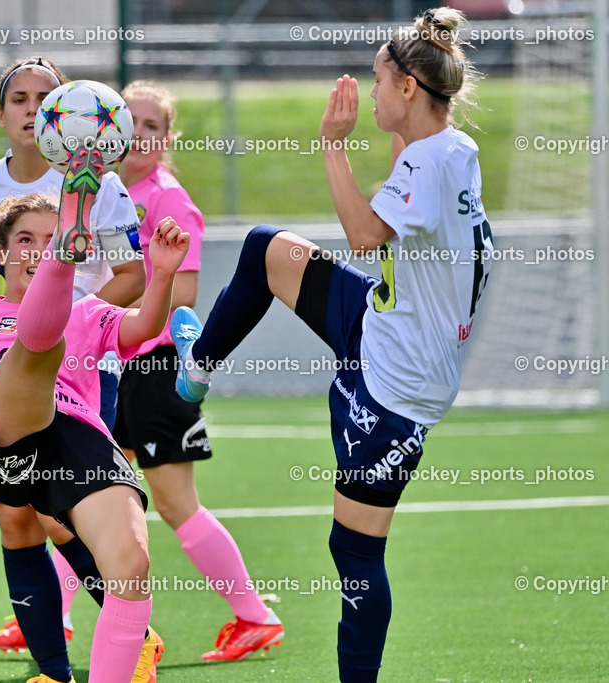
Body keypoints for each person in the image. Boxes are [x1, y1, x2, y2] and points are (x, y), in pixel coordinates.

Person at [169, 8, 491, 681]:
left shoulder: (432, 161)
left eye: (378, 80)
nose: (369, 93)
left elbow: (366, 236)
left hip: (393, 380)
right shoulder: (453, 148)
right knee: (268, 250)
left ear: (407, 86)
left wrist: (333, 144)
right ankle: (196, 371)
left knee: (354, 550)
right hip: (384, 320)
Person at [0, 154, 190, 682]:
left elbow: (143, 326)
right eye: (27, 239)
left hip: (71, 440)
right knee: (34, 347)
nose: (35, 249)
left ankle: (118, 662)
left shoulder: (87, 312)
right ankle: (55, 670)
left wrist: (161, 274)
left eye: (51, 239)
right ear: (1, 253)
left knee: (130, 565)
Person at [0, 55, 146, 662]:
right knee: (16, 523)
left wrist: (65, 326)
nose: (32, 109)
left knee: (59, 518)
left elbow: (133, 275)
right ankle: (54, 663)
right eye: (18, 99)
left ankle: (131, 629)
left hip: (75, 370)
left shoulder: (99, 179)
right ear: (1, 115)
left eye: (44, 98)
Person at [107, 80, 283, 662]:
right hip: (114, 366)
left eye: (152, 125)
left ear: (167, 137)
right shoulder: (102, 193)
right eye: (128, 121)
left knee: (174, 502)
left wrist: (107, 317)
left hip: (155, 367)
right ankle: (46, 619)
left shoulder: (169, 200)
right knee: (90, 491)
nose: (138, 133)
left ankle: (254, 616)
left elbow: (181, 295)